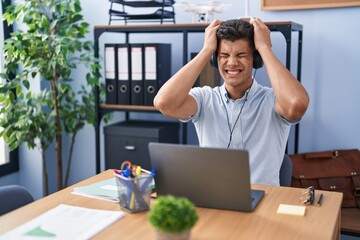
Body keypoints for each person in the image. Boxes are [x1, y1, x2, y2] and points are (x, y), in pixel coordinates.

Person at [153, 18, 309, 185]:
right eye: (224, 55)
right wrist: (207, 50)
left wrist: (265, 48)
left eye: (241, 55)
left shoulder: (273, 101)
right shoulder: (204, 99)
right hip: (215, 198)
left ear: (255, 60)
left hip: (265, 200)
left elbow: (296, 104)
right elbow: (164, 103)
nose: (232, 62)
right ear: (215, 60)